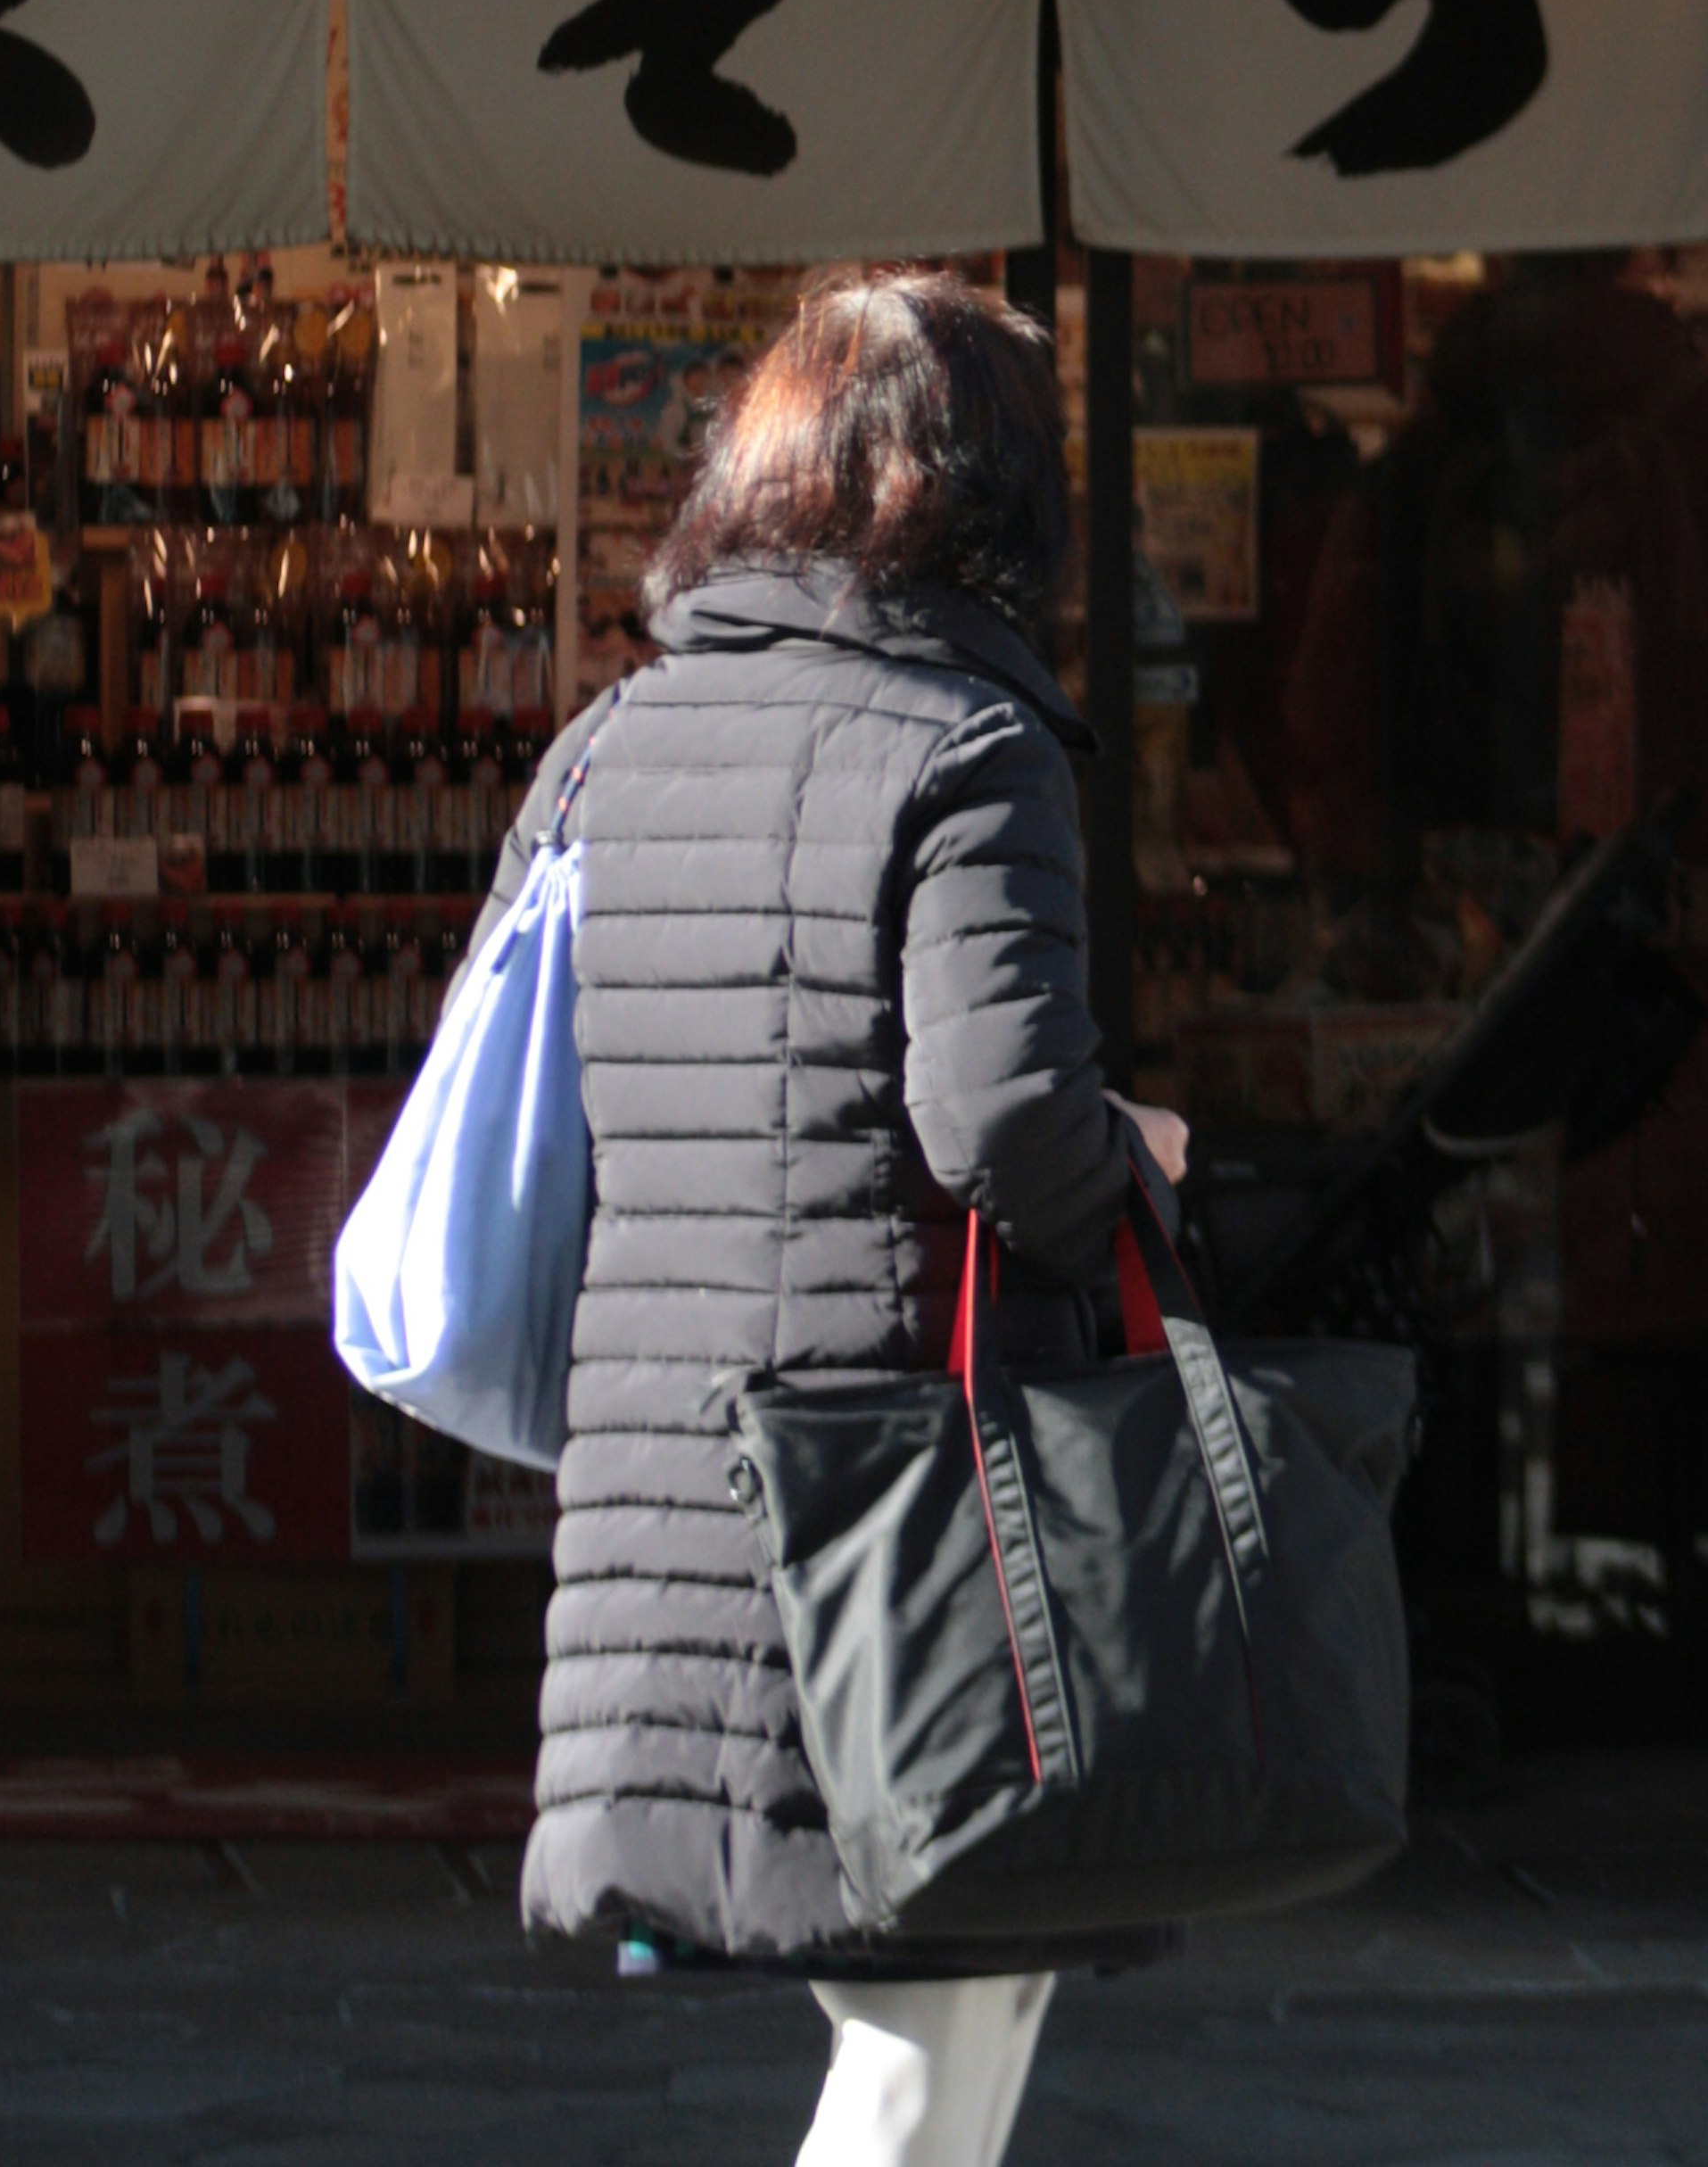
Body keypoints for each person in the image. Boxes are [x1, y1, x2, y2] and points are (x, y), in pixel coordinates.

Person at [483, 268, 1184, 2167]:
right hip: (899, 1503)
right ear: (994, 496)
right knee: (929, 2023)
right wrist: (1139, 1153)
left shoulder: (613, 750)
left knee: (946, 2001)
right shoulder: (969, 745)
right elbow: (1006, 1123)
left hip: (667, 1505)